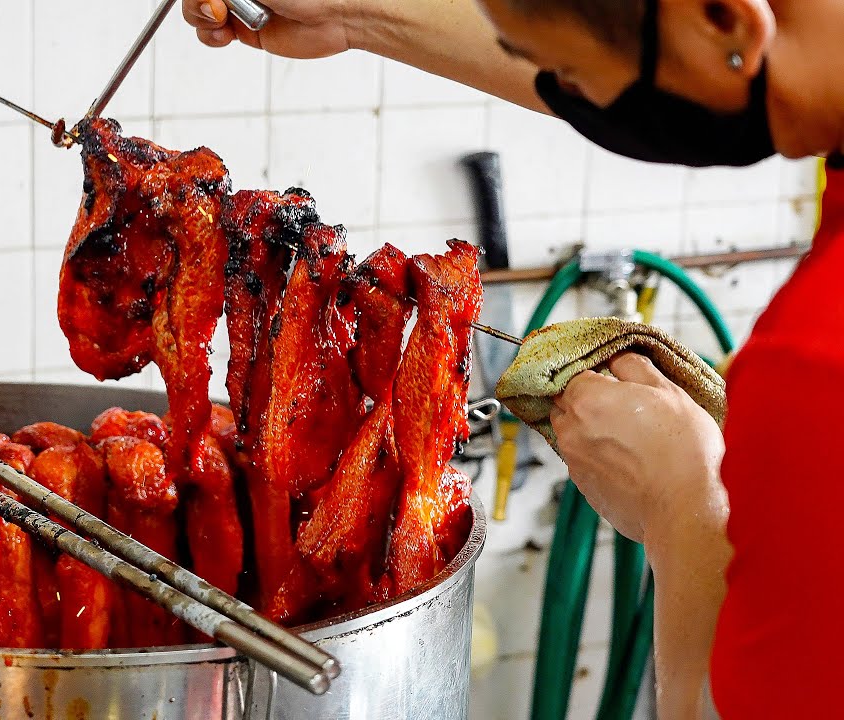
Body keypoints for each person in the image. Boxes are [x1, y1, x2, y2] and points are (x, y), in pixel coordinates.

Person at [185, 1, 844, 718]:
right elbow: (627, 60)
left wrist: (681, 498)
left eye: (569, 79)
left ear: (725, 19)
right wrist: (354, 15)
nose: (574, 99)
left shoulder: (816, 358)